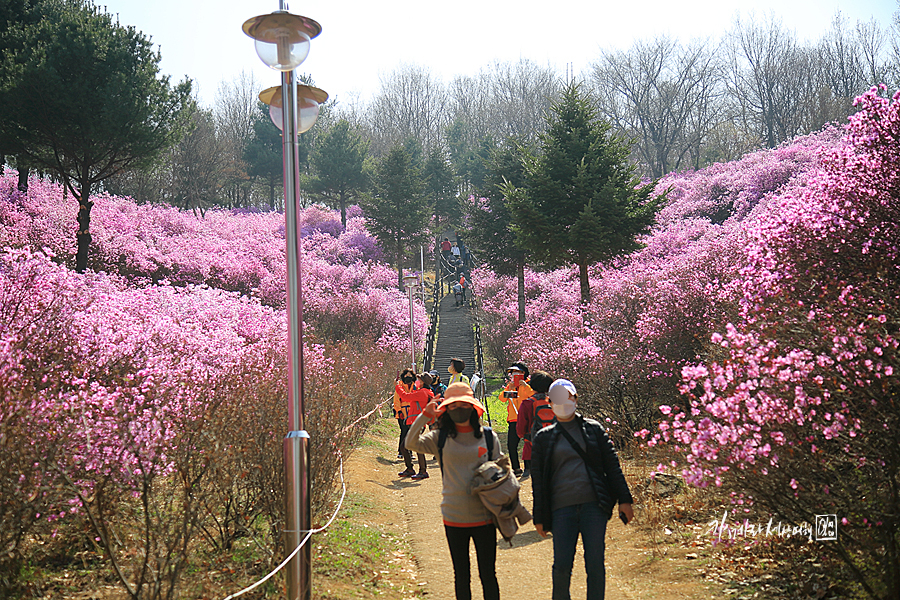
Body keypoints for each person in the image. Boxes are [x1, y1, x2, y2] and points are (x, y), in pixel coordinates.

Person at [531, 379, 634, 600]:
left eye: (567, 397)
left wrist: (625, 500)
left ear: (575, 399)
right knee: (561, 566)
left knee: (595, 563)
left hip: (593, 507)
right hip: (561, 510)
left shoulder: (593, 429)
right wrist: (539, 516)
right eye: (556, 399)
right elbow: (538, 482)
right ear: (549, 403)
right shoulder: (543, 438)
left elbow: (612, 467)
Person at [405, 382, 503, 600]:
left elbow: (500, 471)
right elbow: (410, 442)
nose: (459, 408)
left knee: (488, 574)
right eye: (454, 404)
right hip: (453, 516)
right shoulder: (439, 438)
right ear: (446, 409)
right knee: (462, 575)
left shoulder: (488, 437)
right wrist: (424, 415)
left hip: (485, 516)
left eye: (464, 404)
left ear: (473, 407)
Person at [395, 373, 435, 480]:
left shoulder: (422, 393)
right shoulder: (426, 392)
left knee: (409, 446)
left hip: (417, 423)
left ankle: (421, 471)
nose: (416, 381)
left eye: (419, 380)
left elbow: (405, 396)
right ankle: (412, 469)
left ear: (423, 382)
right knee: (407, 446)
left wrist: (398, 386)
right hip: (417, 422)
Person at [515, 369, 554, 478]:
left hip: (531, 444)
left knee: (536, 478)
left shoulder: (527, 403)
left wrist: (522, 435)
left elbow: (521, 425)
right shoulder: (552, 402)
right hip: (551, 444)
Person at [498, 363, 533, 476]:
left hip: (527, 419)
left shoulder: (529, 384)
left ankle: (528, 468)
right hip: (513, 419)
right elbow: (502, 398)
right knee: (511, 445)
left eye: (517, 372)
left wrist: (525, 386)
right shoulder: (511, 385)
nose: (514, 374)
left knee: (527, 444)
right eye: (513, 373)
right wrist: (510, 388)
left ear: (524, 373)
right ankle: (516, 468)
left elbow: (532, 395)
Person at [393, 368, 416, 459]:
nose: (408, 378)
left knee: (411, 433)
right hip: (402, 412)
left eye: (410, 376)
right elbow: (396, 400)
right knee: (404, 431)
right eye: (406, 376)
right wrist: (398, 411)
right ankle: (401, 451)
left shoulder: (415, 386)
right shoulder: (400, 386)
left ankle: (410, 452)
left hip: (412, 412)